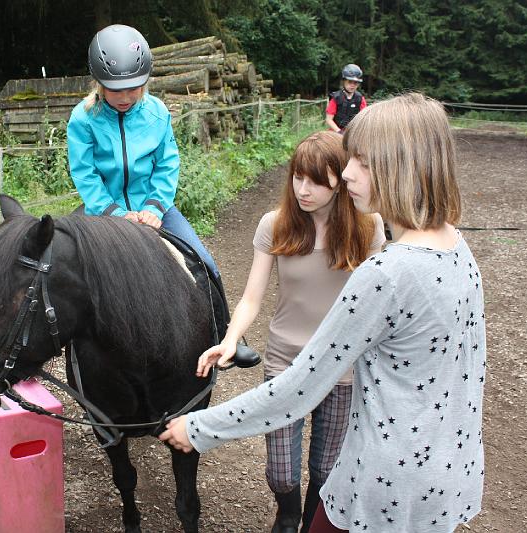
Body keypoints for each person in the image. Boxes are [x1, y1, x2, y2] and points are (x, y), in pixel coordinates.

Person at [161, 93, 486, 533]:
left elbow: (298, 386)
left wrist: (198, 428)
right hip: (446, 470)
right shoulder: (457, 247)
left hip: (383, 481)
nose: (347, 173)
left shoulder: (387, 271)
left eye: (363, 163)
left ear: (404, 167)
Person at [195, 131, 385, 533]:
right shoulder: (276, 224)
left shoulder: (368, 228)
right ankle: (286, 512)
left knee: (325, 467)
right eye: (298, 177)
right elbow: (251, 298)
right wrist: (229, 341)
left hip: (342, 368)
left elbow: (378, 303)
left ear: (342, 179)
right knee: (281, 471)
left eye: (316, 180)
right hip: (286, 363)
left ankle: (310, 523)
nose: (303, 189)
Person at [66, 23, 219, 278]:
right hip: (102, 210)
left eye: (133, 88)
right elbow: (84, 173)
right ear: (99, 84)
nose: (125, 97)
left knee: (204, 264)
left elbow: (167, 164)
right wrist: (114, 213)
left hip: (154, 206)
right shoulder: (82, 119)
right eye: (116, 90)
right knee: (65, 271)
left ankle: (221, 319)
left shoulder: (157, 113)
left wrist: (153, 208)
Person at [325, 64, 367, 134]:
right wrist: (340, 132)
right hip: (336, 132)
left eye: (355, 83)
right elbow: (329, 120)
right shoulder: (336, 98)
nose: (352, 85)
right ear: (344, 81)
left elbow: (364, 118)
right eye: (350, 82)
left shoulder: (360, 98)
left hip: (353, 132)